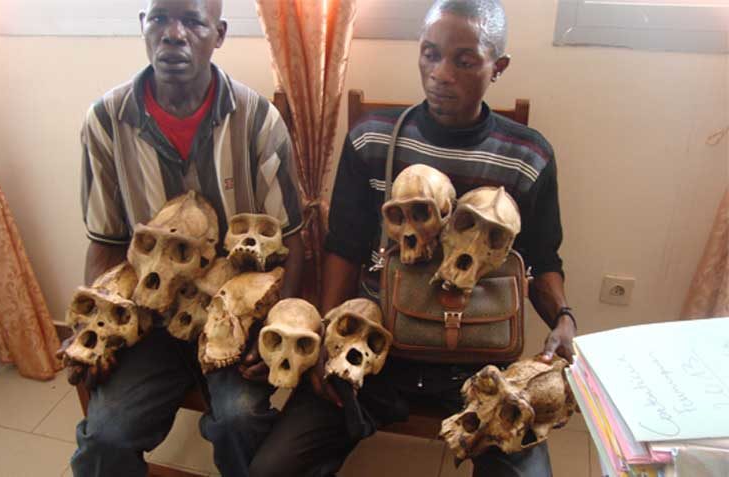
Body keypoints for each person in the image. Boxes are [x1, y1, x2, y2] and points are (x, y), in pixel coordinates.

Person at [247, 1, 576, 476]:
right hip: (377, 349)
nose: (441, 73)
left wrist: (563, 319)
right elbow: (344, 245)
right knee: (272, 468)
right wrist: (326, 336)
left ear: (497, 67)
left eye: (464, 60)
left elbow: (543, 258)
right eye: (430, 54)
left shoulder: (528, 156)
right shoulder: (371, 140)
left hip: (480, 365)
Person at [70, 0, 303, 476]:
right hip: (151, 318)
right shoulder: (105, 122)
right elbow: (106, 241)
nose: (173, 34)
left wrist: (271, 325)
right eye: (159, 18)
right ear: (143, 26)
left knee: (241, 421)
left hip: (234, 319)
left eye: (192, 21)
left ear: (218, 34)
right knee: (106, 437)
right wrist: (101, 325)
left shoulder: (259, 121)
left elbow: (292, 242)